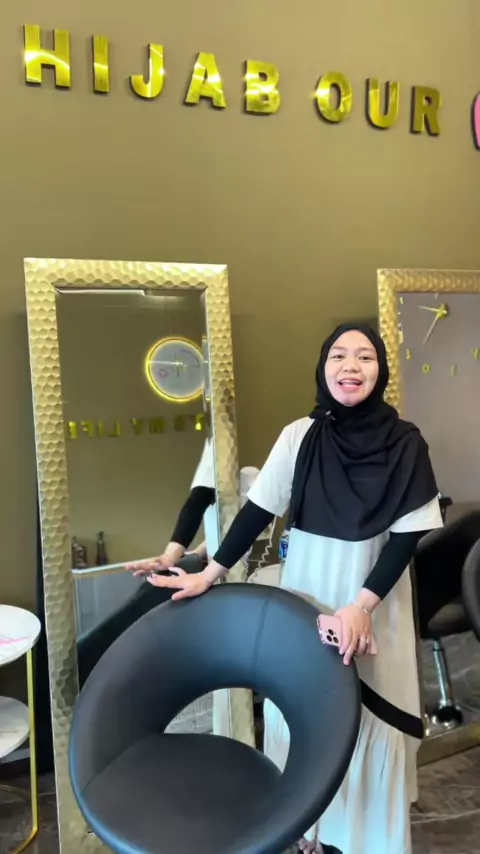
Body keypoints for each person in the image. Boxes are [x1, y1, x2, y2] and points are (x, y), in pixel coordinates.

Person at [146, 323, 443, 854]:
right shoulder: (299, 436)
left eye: (365, 357)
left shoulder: (406, 442)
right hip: (309, 597)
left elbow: (406, 539)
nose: (350, 366)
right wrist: (210, 573)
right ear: (323, 367)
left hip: (374, 602)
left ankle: (368, 841)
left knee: (370, 719)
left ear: (380, 371)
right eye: (338, 355)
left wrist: (361, 606)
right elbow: (257, 511)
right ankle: (311, 829)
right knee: (306, 709)